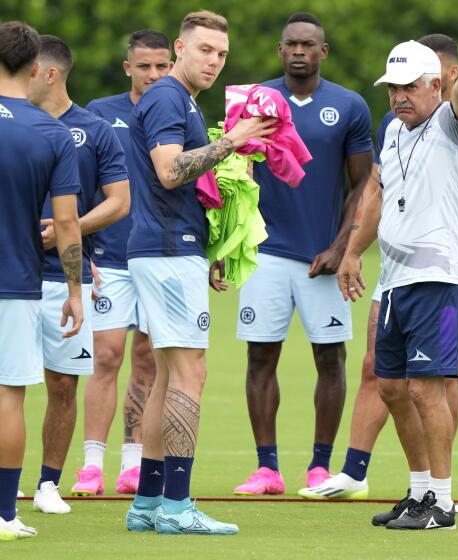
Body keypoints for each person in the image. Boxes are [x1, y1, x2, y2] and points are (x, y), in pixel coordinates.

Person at [300, 32, 458, 501]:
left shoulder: (454, 123)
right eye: (393, 87)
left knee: (427, 391)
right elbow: (376, 194)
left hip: (436, 279)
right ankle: (418, 492)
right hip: (393, 281)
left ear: (436, 85)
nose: (399, 96)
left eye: (409, 86)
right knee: (390, 387)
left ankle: (442, 500)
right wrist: (351, 252)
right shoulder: (392, 128)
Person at [124, 10, 275, 535]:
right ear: (180, 49)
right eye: (205, 50)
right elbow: (169, 172)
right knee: (191, 375)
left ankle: (147, 502)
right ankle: (177, 506)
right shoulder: (169, 95)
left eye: (222, 54)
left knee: (167, 377)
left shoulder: (178, 99)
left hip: (167, 250)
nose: (214, 60)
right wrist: (234, 139)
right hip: (167, 253)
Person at [233, 12, 372, 495]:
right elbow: (233, 174)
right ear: (279, 49)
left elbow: (362, 186)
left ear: (323, 51)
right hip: (264, 254)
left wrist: (341, 246)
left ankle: (319, 467)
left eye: (308, 45)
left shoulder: (349, 106)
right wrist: (231, 241)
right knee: (260, 358)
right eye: (290, 43)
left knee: (330, 359)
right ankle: (267, 469)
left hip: (323, 260)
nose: (298, 51)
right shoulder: (256, 101)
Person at [27, 35, 130, 514]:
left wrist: (70, 230)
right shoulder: (12, 123)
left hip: (64, 276)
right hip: (13, 276)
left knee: (63, 383)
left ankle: (49, 484)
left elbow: (118, 201)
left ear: (48, 73)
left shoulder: (94, 130)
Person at [71, 29, 172, 497]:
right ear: (128, 67)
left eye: (162, 66)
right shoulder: (98, 114)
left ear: (171, 66)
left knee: (149, 358)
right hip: (109, 257)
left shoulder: (178, 110)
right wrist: (84, 248)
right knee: (106, 355)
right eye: (145, 66)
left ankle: (133, 462)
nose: (154, 75)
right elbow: (84, 188)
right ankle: (92, 463)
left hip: (159, 255)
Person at [0, 20, 82, 541]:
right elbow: (68, 223)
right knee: (8, 397)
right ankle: (4, 516)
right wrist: (75, 291)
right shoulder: (52, 133)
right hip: (16, 284)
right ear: (36, 68)